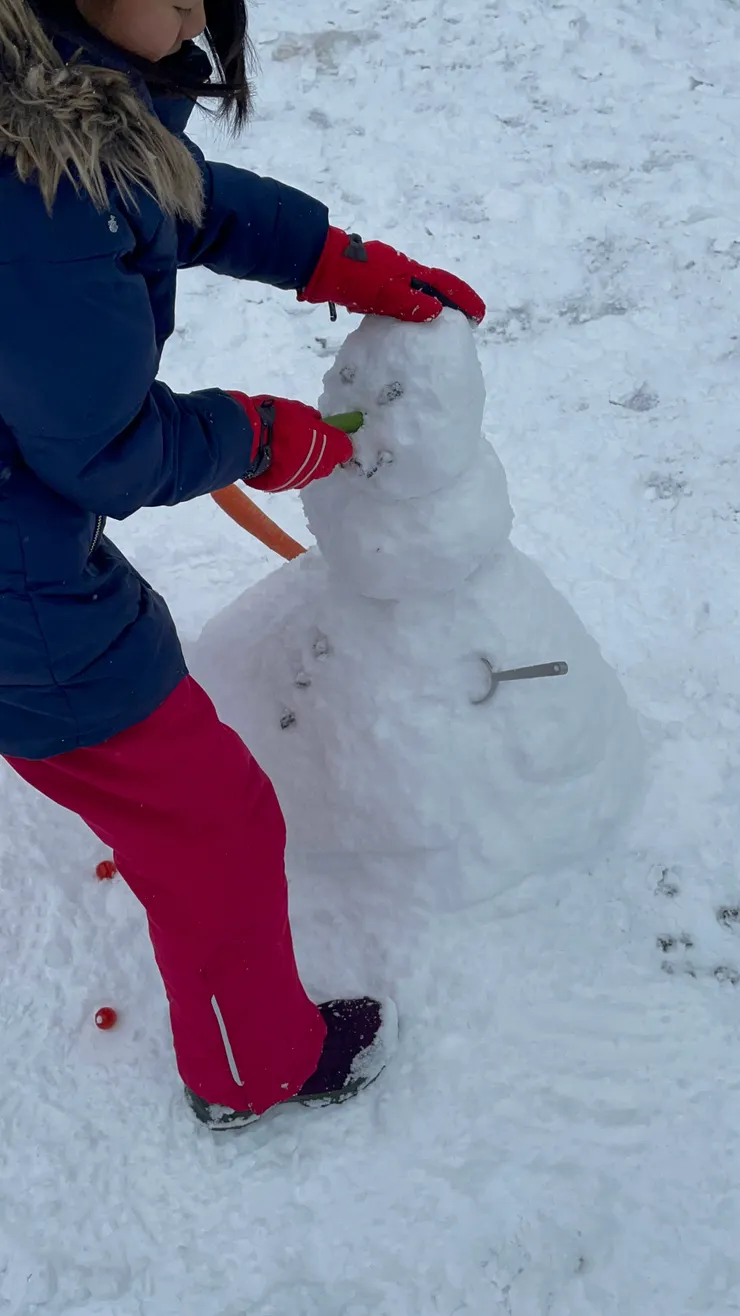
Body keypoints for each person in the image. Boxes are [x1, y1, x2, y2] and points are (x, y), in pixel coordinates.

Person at [0, 0, 485, 1130]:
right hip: (20, 580)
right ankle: (252, 1067)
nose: (190, 7)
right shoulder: (36, 191)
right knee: (212, 822)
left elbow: (180, 198)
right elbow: (105, 448)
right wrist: (264, 436)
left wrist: (337, 261)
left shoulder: (62, 111)